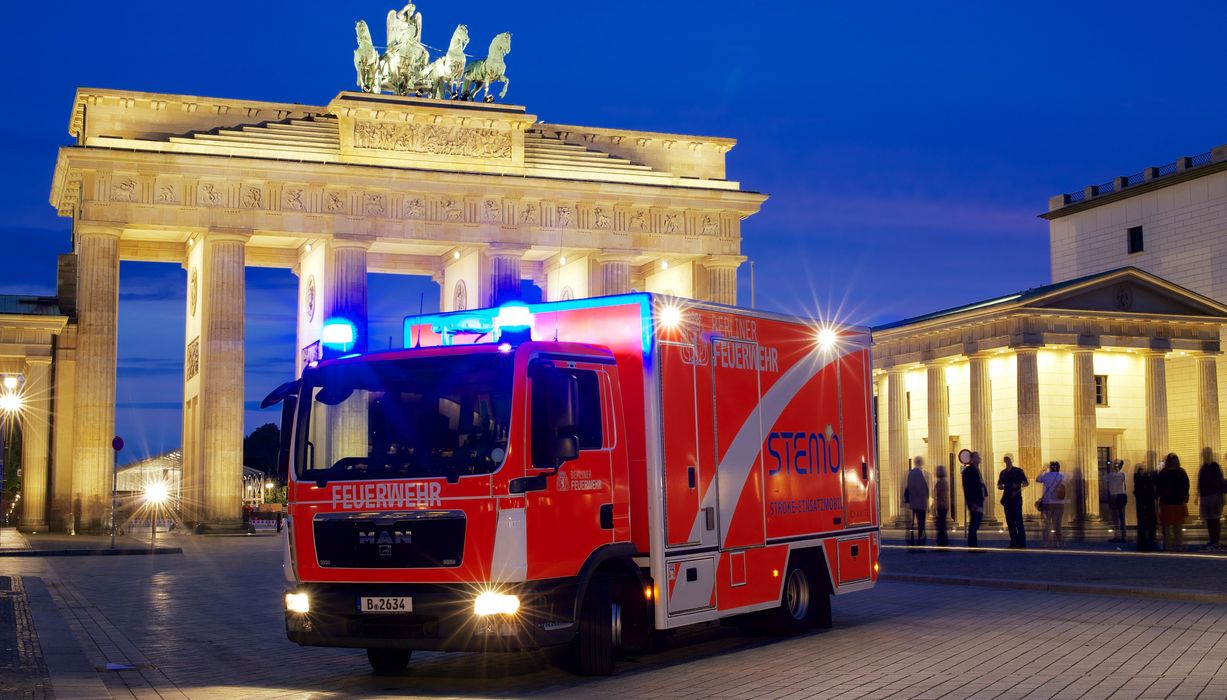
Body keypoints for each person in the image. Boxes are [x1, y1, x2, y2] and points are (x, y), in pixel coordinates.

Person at [1156, 453, 1190, 552]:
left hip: (1167, 502)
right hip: (1178, 502)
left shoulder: (1163, 473)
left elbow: (1159, 487)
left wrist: (1159, 497)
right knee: (1178, 526)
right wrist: (1185, 498)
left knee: (1167, 526)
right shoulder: (1181, 472)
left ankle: (1168, 545)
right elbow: (1186, 486)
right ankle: (1178, 545)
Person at [998, 455, 1029, 548]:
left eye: (1008, 460)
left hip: (1016, 499)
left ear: (1011, 461)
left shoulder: (1018, 471)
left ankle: (1022, 542)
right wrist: (1000, 486)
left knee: (1018, 521)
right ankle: (1014, 541)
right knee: (1010, 521)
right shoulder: (1003, 473)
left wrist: (1018, 487)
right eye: (1005, 461)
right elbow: (999, 484)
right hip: (1007, 499)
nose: (1007, 462)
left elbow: (1026, 483)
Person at [1196, 452, 1224, 551]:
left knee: (1214, 519)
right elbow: (1200, 482)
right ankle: (1212, 540)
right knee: (1209, 520)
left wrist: (1221, 496)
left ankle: (1215, 540)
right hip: (1206, 496)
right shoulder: (1203, 467)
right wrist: (1198, 495)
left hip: (1213, 495)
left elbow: (1220, 482)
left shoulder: (1215, 466)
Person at [1036, 461, 1067, 547]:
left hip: (1048, 503)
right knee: (1057, 524)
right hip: (1059, 503)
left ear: (1050, 468)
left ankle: (1046, 543)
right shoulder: (1062, 476)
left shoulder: (1046, 476)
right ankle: (1058, 543)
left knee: (1047, 524)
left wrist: (1043, 470)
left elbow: (1037, 479)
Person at [961, 452, 988, 547]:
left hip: (978, 499)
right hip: (974, 501)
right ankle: (972, 544)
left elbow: (980, 483)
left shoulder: (976, 470)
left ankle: (973, 543)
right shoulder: (968, 471)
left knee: (977, 520)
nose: (980, 458)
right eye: (978, 457)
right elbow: (968, 487)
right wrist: (973, 502)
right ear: (972, 459)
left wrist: (984, 493)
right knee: (974, 521)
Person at [1134, 464, 1159, 551]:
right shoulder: (1140, 479)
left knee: (1150, 523)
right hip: (1144, 504)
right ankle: (1144, 542)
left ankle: (1149, 541)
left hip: (1148, 505)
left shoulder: (1144, 480)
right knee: (1144, 524)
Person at [905, 456, 930, 546]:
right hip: (919, 503)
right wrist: (925, 502)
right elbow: (921, 489)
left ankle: (912, 542)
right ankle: (920, 543)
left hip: (913, 502)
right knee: (921, 524)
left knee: (912, 524)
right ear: (919, 462)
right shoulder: (918, 473)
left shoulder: (911, 473)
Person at [1106, 460, 1128, 542]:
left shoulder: (1111, 475)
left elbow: (1106, 480)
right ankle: (1123, 534)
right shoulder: (1123, 474)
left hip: (1115, 495)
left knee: (1116, 517)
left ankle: (1118, 535)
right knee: (1121, 516)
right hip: (1121, 495)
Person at [934, 465, 950, 546]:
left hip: (941, 505)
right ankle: (943, 541)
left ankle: (942, 542)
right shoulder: (945, 482)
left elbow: (938, 495)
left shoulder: (940, 482)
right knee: (942, 524)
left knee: (941, 525)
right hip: (945, 505)